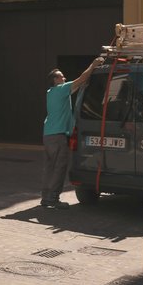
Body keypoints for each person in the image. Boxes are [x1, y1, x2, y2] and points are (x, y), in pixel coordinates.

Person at [41, 56, 104, 208]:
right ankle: (53, 200)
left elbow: (77, 86)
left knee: (50, 168)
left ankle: (46, 198)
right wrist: (93, 65)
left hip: (49, 135)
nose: (64, 77)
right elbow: (81, 79)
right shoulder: (61, 89)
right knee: (59, 168)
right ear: (55, 80)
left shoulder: (52, 92)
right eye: (61, 76)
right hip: (58, 136)